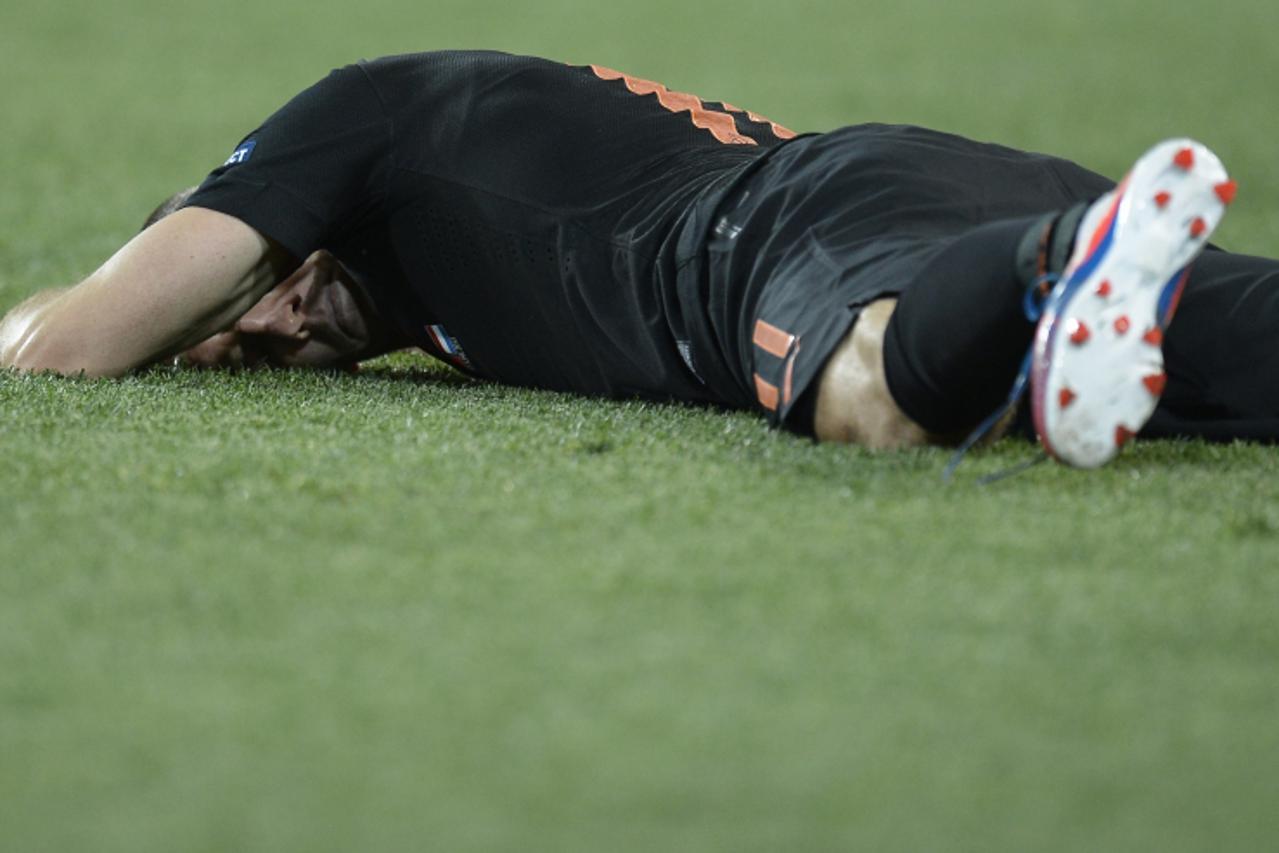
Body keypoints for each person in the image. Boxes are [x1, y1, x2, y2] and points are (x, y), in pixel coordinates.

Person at [2, 50, 1276, 469]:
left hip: (773, 241)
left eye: (225, 309)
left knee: (869, 396)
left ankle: (1057, 262)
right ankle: (1084, 273)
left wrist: (106, 301)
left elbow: (58, 353)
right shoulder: (435, 272)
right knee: (1227, 368)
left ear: (244, 226)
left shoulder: (348, 122)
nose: (266, 338)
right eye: (240, 365)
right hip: (911, 181)